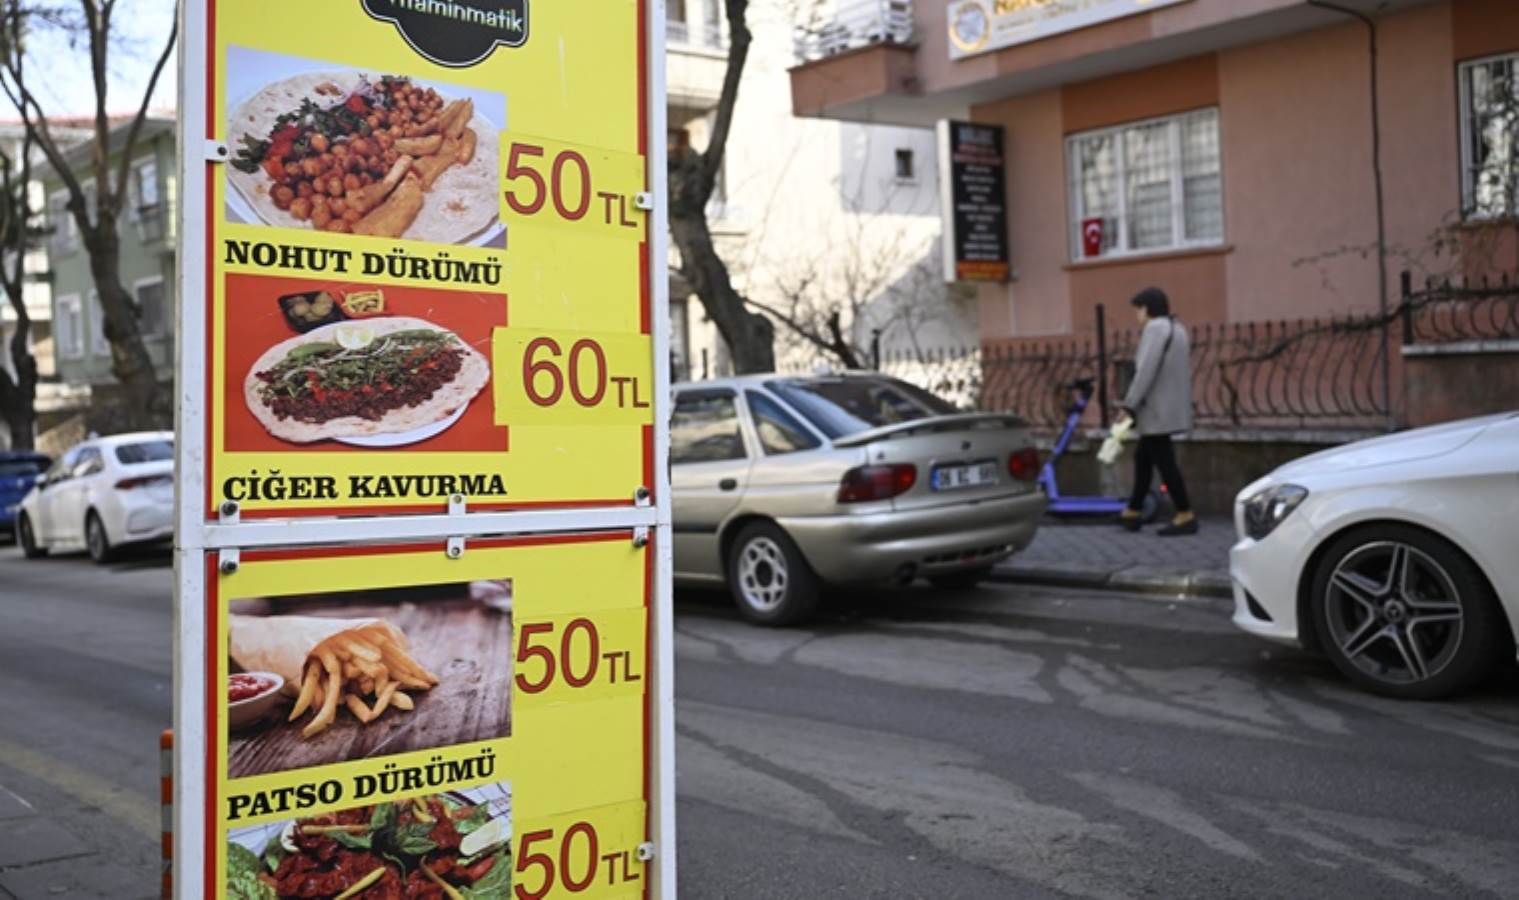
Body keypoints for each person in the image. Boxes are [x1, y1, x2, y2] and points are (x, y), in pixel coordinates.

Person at [1117, 287, 1197, 536]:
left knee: (1164, 462)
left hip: (1155, 410)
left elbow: (1146, 370)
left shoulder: (1154, 329)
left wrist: (1129, 404)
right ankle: (1133, 510)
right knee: (1143, 457)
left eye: (1138, 310)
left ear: (1147, 308)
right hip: (1171, 406)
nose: (1136, 316)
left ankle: (1185, 514)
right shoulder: (1178, 328)